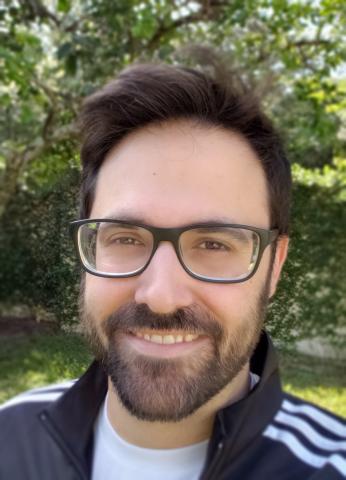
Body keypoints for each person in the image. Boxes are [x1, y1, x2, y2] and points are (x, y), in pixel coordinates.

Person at [0, 60, 345, 480]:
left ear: (274, 267)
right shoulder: (11, 434)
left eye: (215, 244)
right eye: (124, 238)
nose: (161, 296)